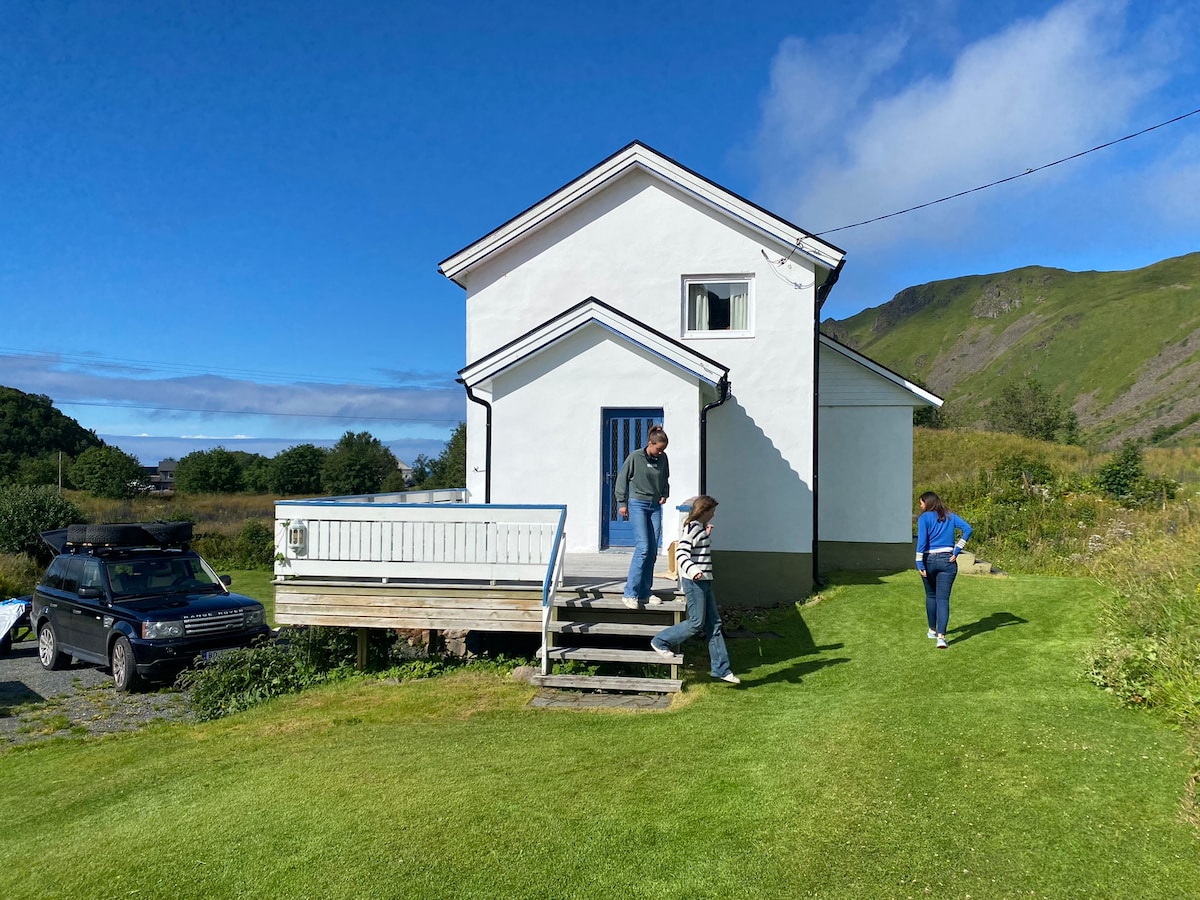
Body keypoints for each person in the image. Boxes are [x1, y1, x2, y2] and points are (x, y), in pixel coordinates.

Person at [650, 495, 739, 684]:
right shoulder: (693, 528)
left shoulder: (698, 529)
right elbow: (681, 553)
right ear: (704, 511)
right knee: (696, 623)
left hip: (704, 582)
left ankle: (721, 669)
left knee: (714, 624)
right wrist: (694, 571)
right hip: (695, 582)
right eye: (712, 511)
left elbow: (697, 549)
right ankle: (660, 641)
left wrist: (705, 536)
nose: (714, 515)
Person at [615, 424, 670, 609]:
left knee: (653, 550)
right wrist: (622, 503)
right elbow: (622, 479)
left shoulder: (663, 459)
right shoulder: (635, 457)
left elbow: (665, 478)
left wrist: (664, 493)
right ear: (650, 443)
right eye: (659, 449)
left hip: (655, 506)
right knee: (643, 548)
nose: (661, 452)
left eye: (663, 450)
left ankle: (646, 592)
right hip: (637, 503)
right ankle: (630, 593)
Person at [915, 491, 973, 649]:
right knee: (943, 599)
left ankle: (932, 630)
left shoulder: (924, 518)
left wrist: (919, 562)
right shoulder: (949, 515)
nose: (920, 506)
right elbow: (968, 529)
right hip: (947, 560)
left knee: (931, 595)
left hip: (929, 560)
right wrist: (956, 550)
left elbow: (922, 541)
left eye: (921, 503)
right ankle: (941, 638)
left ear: (927, 503)